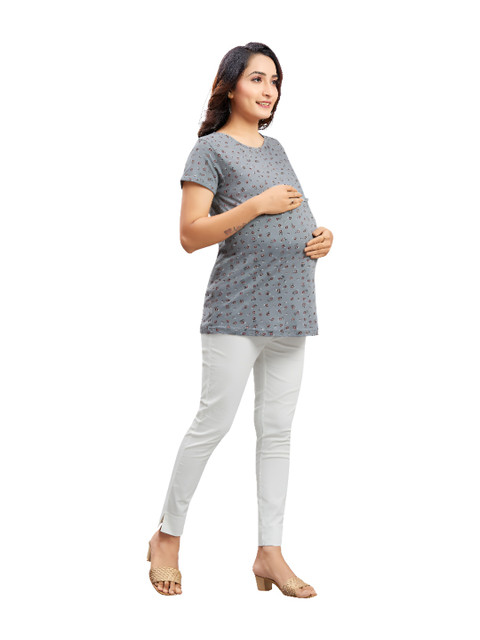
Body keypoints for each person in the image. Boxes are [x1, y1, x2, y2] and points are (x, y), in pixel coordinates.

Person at [147, 42, 333, 598]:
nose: (268, 89)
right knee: (213, 424)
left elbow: (293, 209)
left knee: (277, 434)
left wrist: (321, 236)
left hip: (293, 307)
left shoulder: (277, 148)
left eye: (275, 80)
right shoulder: (208, 150)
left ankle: (269, 553)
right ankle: (166, 538)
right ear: (230, 85)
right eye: (257, 78)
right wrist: (256, 206)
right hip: (238, 309)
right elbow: (190, 235)